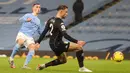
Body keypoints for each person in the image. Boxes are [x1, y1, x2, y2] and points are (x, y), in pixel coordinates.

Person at [36, 5, 92, 72]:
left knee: (63, 60)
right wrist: (77, 41)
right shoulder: (59, 22)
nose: (67, 14)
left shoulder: (50, 20)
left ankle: (43, 66)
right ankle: (82, 68)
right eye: (66, 12)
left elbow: (44, 32)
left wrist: (38, 42)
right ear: (61, 11)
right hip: (58, 44)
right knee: (79, 47)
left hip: (52, 44)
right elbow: (65, 35)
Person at [8, 3, 42, 69]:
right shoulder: (28, 15)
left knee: (32, 49)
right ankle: (11, 58)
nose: (38, 8)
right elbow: (20, 20)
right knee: (20, 42)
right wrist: (26, 20)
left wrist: (38, 42)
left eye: (39, 7)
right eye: (36, 7)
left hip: (30, 37)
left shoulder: (38, 21)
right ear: (33, 8)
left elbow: (40, 32)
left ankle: (25, 66)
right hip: (23, 33)